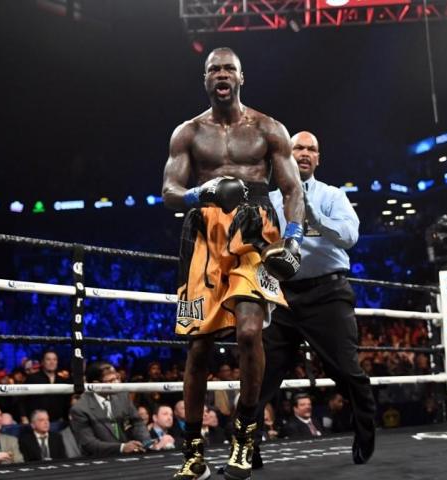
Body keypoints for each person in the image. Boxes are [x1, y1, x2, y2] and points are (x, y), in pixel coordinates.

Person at [161, 47, 304, 480]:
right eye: (213, 69)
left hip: (256, 230)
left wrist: (293, 242)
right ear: (205, 80)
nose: (221, 74)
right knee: (199, 347)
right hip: (203, 232)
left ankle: (245, 435)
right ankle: (194, 452)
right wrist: (201, 194)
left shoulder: (268, 128)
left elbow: (293, 188)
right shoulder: (187, 133)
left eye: (228, 68)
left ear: (241, 77)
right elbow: (168, 190)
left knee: (247, 331)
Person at [255, 131, 376, 466]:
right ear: (286, 154)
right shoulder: (271, 201)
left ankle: (365, 431)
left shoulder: (332, 196)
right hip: (283, 294)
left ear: (318, 158)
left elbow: (350, 237)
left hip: (328, 294)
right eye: (298, 148)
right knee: (263, 372)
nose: (305, 153)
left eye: (312, 149)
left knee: (346, 370)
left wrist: (315, 217)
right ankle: (246, 446)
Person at [69, 361, 151, 456]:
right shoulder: (80, 408)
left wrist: (146, 443)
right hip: (99, 460)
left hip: (130, 456)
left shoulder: (122, 395)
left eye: (117, 378)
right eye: (111, 381)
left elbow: (137, 422)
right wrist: (122, 447)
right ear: (96, 384)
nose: (117, 383)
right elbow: (89, 443)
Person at [22, 350, 71, 424]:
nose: (52, 362)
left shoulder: (62, 380)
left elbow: (67, 401)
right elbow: (22, 399)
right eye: (48, 359)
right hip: (37, 422)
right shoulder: (32, 378)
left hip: (59, 422)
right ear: (42, 362)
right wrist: (23, 416)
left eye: (54, 359)